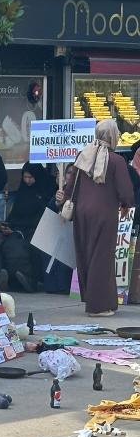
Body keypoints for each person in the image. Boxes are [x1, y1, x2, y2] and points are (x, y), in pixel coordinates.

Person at [64, 119, 134, 316]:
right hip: (104, 213)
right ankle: (98, 306)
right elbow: (126, 191)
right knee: (101, 258)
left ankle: (103, 300)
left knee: (86, 255)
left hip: (82, 212)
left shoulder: (83, 155)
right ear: (112, 136)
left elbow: (71, 185)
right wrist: (127, 205)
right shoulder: (117, 161)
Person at [0, 163, 53, 293]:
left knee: (28, 246)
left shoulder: (44, 192)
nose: (27, 180)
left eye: (31, 177)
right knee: (3, 244)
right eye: (25, 177)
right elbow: (16, 213)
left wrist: (19, 230)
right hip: (18, 229)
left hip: (34, 230)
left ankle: (31, 279)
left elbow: (40, 217)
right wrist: (8, 225)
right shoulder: (23, 191)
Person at [43, 164, 75, 294]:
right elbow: (49, 212)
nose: (70, 176)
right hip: (58, 233)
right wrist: (57, 202)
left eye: (74, 173)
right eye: (68, 173)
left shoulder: (83, 191)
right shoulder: (62, 191)